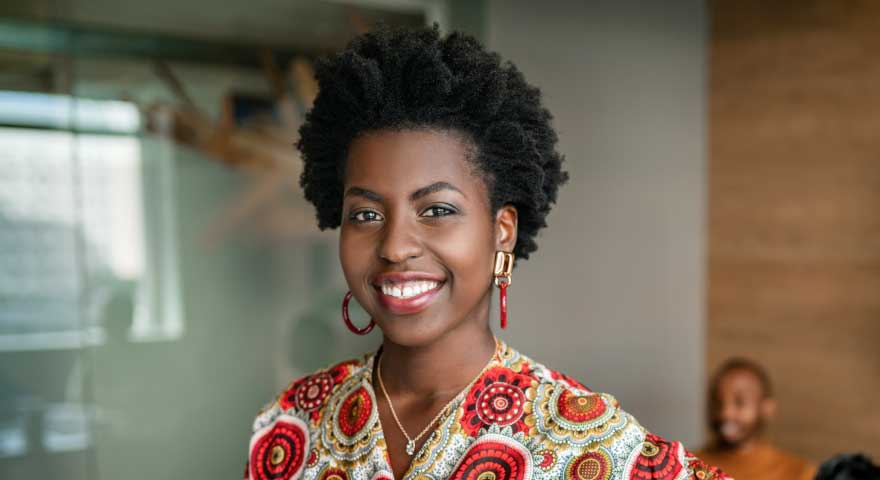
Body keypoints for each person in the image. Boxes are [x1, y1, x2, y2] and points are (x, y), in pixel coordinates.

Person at [244, 25, 730, 480]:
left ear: (502, 230)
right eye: (366, 215)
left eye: (435, 210)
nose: (393, 247)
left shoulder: (581, 440)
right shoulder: (293, 421)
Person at [697, 358, 815, 480]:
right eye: (717, 403)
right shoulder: (687, 467)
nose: (726, 413)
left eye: (740, 403)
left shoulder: (799, 472)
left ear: (767, 408)